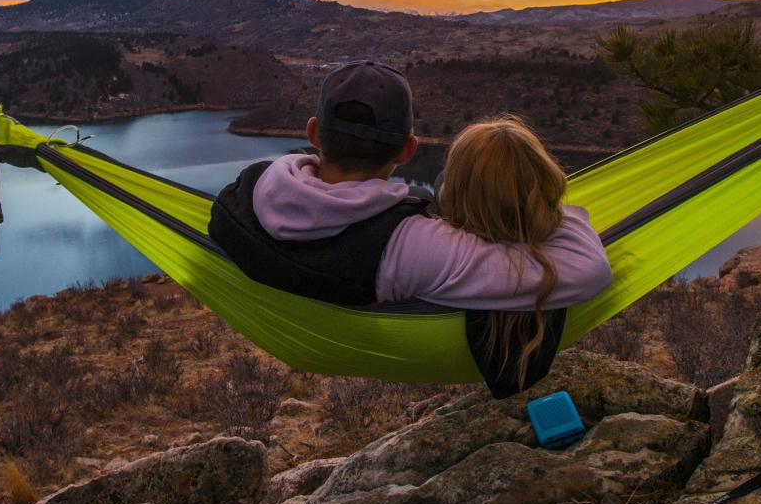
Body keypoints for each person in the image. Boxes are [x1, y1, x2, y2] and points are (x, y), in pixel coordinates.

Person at [208, 60, 611, 395]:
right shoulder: (410, 245)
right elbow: (587, 269)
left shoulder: (249, 192)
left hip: (287, 329)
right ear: (408, 150)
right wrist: (547, 200)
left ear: (313, 132)